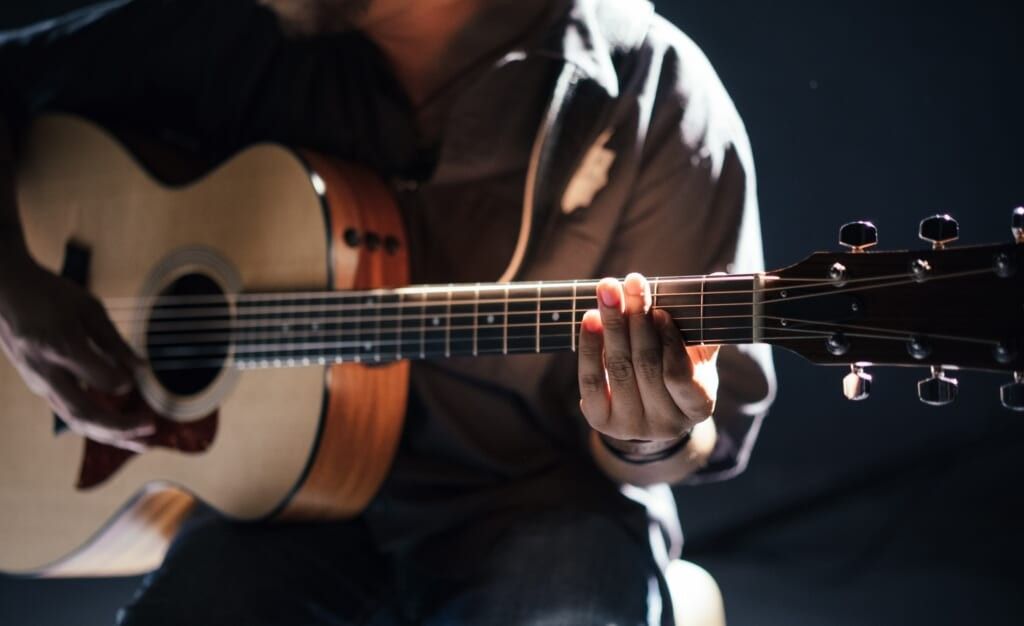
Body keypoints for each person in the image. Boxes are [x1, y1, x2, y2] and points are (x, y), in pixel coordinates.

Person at [0, 0, 775, 623]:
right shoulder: (243, 30)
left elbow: (705, 429)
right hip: (275, 518)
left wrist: (651, 431)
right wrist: (16, 285)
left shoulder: (654, 90)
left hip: (542, 509)